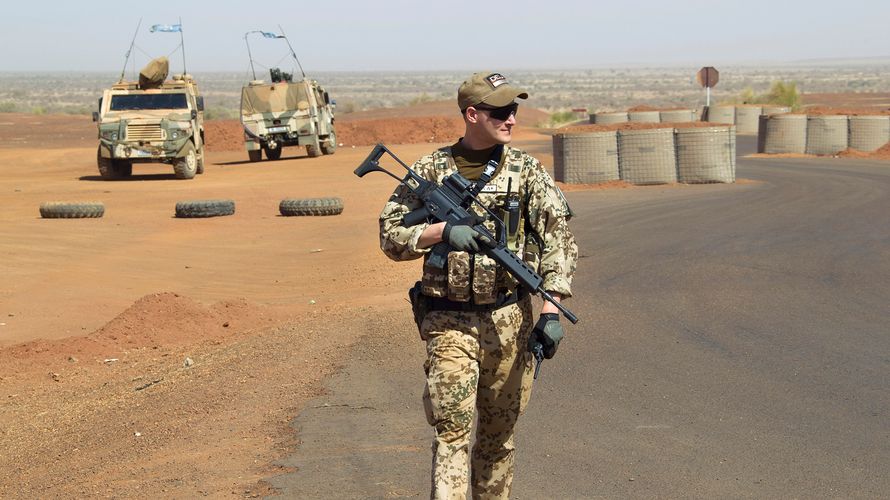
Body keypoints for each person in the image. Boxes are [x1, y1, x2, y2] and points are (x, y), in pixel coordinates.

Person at [378, 71, 578, 499]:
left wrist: (550, 311)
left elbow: (558, 242)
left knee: (496, 441)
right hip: (448, 320)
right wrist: (440, 233)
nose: (511, 119)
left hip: (510, 321)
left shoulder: (526, 171)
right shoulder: (431, 168)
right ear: (472, 114)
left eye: (514, 110)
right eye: (501, 111)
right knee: (452, 433)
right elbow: (390, 237)